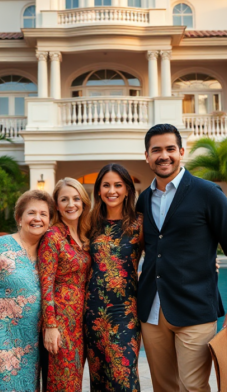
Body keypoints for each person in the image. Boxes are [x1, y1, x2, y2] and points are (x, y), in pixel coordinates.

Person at [137, 124, 227, 392]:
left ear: (181, 151)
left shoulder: (207, 193)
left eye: (169, 149)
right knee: (163, 387)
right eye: (156, 150)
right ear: (147, 156)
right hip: (152, 312)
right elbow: (148, 248)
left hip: (195, 308)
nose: (163, 156)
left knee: (193, 387)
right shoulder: (143, 200)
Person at [0, 190, 55, 392]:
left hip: (32, 339)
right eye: (31, 213)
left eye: (44, 214)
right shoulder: (0, 246)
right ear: (19, 218)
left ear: (50, 221)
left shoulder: (49, 250)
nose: (37, 218)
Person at [84, 163, 144, 391]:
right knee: (99, 380)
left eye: (118, 185)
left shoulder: (140, 223)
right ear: (98, 190)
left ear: (128, 189)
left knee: (123, 378)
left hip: (126, 313)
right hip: (93, 313)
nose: (112, 191)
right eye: (106, 185)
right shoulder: (89, 222)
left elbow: (164, 254)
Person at [38, 178, 92, 391]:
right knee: (61, 383)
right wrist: (51, 327)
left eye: (76, 199)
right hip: (60, 323)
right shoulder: (52, 236)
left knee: (74, 382)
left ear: (83, 202)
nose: (71, 204)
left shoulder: (84, 236)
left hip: (80, 323)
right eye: (64, 199)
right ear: (57, 205)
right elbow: (46, 284)